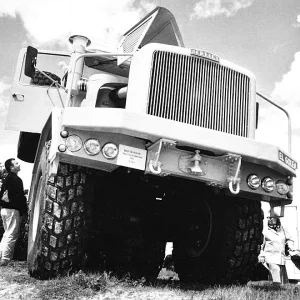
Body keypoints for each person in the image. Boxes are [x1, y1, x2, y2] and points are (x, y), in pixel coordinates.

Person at [0, 158, 27, 266]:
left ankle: (1, 255)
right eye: (16, 163)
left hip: (4, 209)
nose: (19, 164)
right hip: (12, 210)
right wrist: (24, 210)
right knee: (11, 234)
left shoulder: (6, 179)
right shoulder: (16, 179)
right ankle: (5, 260)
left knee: (6, 234)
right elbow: (19, 197)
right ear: (11, 167)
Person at [258, 211, 295, 285]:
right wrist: (261, 255)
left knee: (282, 278)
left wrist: (290, 246)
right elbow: (261, 245)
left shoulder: (283, 230)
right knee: (275, 272)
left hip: (281, 257)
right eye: (268, 218)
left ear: (277, 219)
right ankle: (276, 289)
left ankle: (280, 292)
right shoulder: (265, 232)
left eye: (271, 218)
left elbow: (290, 239)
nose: (269, 219)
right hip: (270, 257)